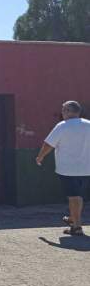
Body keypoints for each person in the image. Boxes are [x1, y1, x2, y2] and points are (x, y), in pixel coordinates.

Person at [36, 101, 90, 236]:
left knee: (74, 197)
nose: (62, 113)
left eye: (63, 110)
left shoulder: (62, 126)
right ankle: (73, 219)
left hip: (67, 168)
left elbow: (48, 144)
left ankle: (76, 226)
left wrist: (40, 156)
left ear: (68, 111)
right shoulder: (88, 125)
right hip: (86, 168)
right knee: (78, 197)